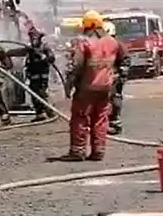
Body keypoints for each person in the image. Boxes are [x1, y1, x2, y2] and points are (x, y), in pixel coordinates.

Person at [62, 10, 125, 162]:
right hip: (105, 88)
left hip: (86, 88)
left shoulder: (84, 42)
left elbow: (76, 66)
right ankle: (98, 151)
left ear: (87, 25)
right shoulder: (113, 42)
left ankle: (78, 151)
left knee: (80, 118)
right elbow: (123, 61)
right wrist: (116, 79)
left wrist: (68, 85)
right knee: (101, 119)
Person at [22, 27, 55, 122]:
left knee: (41, 94)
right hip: (33, 76)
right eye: (31, 37)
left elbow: (51, 58)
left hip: (42, 75)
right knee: (34, 95)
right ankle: (39, 114)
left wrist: (42, 56)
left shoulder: (45, 47)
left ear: (39, 38)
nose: (33, 39)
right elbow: (23, 55)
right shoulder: (29, 49)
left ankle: (50, 111)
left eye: (34, 37)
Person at [102, 21, 130, 136]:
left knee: (114, 98)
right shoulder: (101, 44)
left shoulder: (117, 45)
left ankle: (114, 123)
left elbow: (125, 60)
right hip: (103, 76)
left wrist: (120, 74)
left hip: (115, 77)